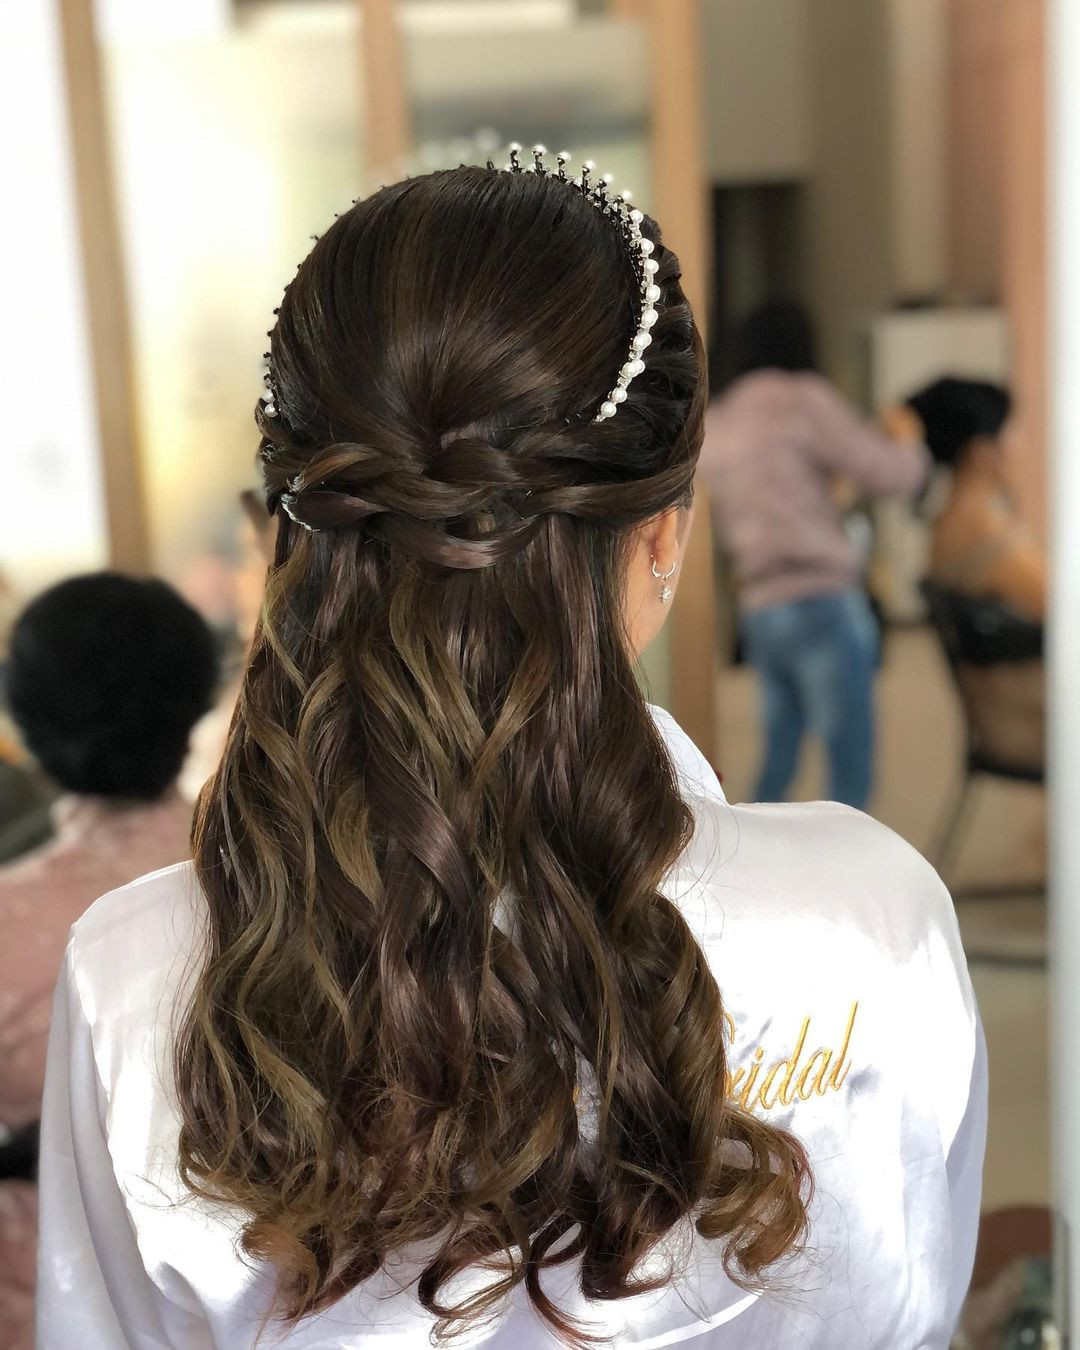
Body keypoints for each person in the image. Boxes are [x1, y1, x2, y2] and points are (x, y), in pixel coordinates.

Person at [38, 158, 984, 1349]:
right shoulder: (874, 922)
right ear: (663, 541)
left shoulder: (133, 977)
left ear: (290, 539)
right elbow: (911, 1310)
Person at [0, 573, 217, 1349]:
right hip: (247, 1295)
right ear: (195, 700)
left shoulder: (13, 923)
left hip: (43, 1294)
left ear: (27, 719)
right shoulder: (279, 881)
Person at [700, 301, 930, 809]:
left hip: (760, 603)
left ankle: (750, 849)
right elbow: (891, 475)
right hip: (822, 598)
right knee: (849, 762)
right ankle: (849, 859)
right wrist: (910, 440)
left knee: (778, 755)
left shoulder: (721, 416)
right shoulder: (804, 400)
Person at [907, 376, 1045, 774]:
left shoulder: (946, 525)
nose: (1021, 443)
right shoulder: (991, 539)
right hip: (1037, 722)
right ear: (983, 451)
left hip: (1008, 715)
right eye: (1013, 431)